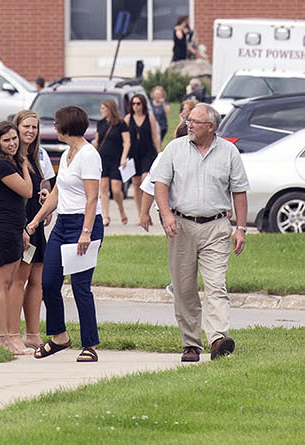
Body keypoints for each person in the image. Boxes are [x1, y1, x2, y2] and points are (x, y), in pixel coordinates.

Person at [147, 103, 249, 363]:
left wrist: (240, 228)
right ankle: (191, 344)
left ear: (211, 127)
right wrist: (166, 214)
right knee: (184, 288)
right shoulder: (175, 149)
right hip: (181, 226)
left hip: (216, 227)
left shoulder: (229, 152)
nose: (188, 125)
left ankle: (217, 339)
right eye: (189, 120)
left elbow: (239, 191)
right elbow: (160, 184)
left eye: (195, 121)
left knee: (217, 284)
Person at [30, 103, 104, 360]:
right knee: (49, 282)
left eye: (57, 123)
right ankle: (59, 336)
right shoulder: (67, 154)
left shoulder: (88, 155)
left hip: (85, 225)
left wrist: (86, 231)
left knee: (80, 286)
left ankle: (90, 345)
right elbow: (58, 193)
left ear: (67, 126)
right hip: (62, 225)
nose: (54, 126)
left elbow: (92, 198)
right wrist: (36, 220)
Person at [0, 117, 37, 353]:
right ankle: (1, 335)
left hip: (15, 226)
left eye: (14, 138)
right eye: (7, 140)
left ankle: (9, 335)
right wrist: (24, 164)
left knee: (9, 281)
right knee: (0, 283)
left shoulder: (10, 163)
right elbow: (27, 190)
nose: (13, 143)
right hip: (1, 227)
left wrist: (23, 229)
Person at [14, 109, 52, 338]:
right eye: (26, 126)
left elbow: (45, 183)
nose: (30, 131)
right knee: (19, 278)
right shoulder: (12, 156)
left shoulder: (40, 155)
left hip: (36, 223)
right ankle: (8, 332)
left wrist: (45, 196)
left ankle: (33, 333)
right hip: (20, 223)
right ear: (16, 128)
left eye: (34, 127)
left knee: (38, 278)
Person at [124, 92, 162, 228]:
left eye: (138, 103)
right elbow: (125, 138)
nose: (136, 106)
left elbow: (155, 136)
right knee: (136, 183)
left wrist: (159, 153)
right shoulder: (128, 118)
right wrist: (123, 155)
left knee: (145, 179)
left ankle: (145, 212)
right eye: (133, 104)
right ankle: (142, 214)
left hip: (147, 152)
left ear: (143, 104)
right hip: (134, 153)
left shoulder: (149, 117)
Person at [95, 98, 130, 226]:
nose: (101, 111)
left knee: (116, 190)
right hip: (103, 158)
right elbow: (97, 141)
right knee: (103, 188)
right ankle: (106, 215)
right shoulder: (100, 123)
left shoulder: (121, 124)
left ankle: (121, 209)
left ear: (110, 109)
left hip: (116, 159)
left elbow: (127, 141)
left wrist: (123, 157)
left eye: (103, 108)